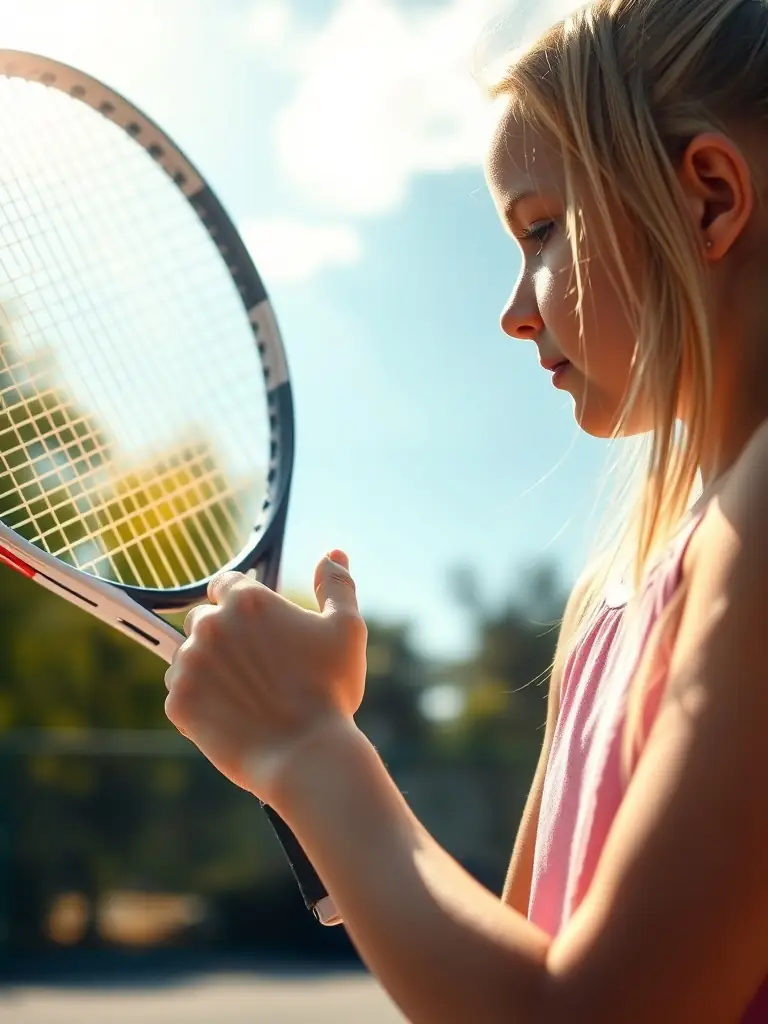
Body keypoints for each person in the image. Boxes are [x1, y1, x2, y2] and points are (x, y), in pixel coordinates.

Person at [163, 1, 768, 1019]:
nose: (512, 308)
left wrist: (309, 748)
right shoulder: (606, 601)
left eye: (539, 229)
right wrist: (304, 756)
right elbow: (517, 978)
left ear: (708, 198)